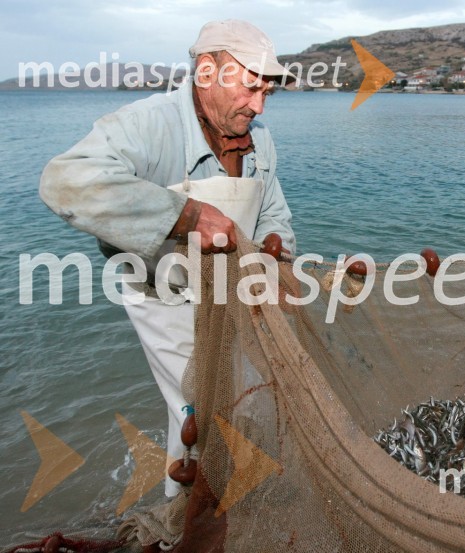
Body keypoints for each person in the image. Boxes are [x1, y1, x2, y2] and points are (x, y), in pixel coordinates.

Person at [40, 20, 296, 496]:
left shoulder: (259, 139)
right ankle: (185, 518)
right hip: (162, 296)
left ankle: (225, 504)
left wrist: (278, 260)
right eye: (249, 88)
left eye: (267, 94)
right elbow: (64, 181)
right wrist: (188, 214)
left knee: (248, 402)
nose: (258, 106)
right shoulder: (149, 123)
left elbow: (273, 215)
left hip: (234, 295)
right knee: (197, 406)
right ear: (205, 72)